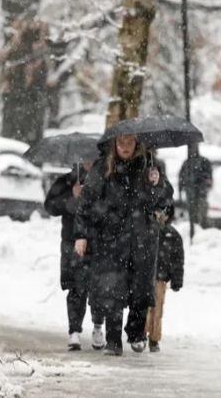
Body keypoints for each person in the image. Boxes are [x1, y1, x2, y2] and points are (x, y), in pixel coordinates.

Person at [74, 134, 173, 356]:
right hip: (111, 240)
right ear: (114, 144)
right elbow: (86, 203)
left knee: (140, 290)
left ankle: (137, 333)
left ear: (137, 144)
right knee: (112, 290)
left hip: (142, 240)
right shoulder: (103, 168)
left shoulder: (149, 167)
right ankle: (113, 340)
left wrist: (157, 185)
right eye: (121, 143)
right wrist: (82, 235)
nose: (126, 148)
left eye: (130, 143)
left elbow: (166, 201)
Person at [44, 161, 105, 351]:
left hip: (98, 240)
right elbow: (50, 206)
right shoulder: (67, 181)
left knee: (99, 287)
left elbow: (110, 208)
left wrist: (92, 202)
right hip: (72, 241)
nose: (88, 162)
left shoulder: (104, 181)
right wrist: (72, 197)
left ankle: (97, 327)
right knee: (76, 287)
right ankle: (74, 330)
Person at [144, 222, 184, 353]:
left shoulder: (172, 235)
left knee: (157, 308)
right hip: (145, 274)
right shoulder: (146, 229)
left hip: (160, 276)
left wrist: (176, 279)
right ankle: (142, 334)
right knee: (145, 307)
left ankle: (153, 338)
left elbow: (178, 259)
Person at [179, 154, 213, 227]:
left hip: (201, 193)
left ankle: (200, 228)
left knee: (201, 214)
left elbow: (209, 180)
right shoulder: (187, 162)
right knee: (194, 215)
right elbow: (181, 178)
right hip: (191, 193)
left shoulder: (204, 162)